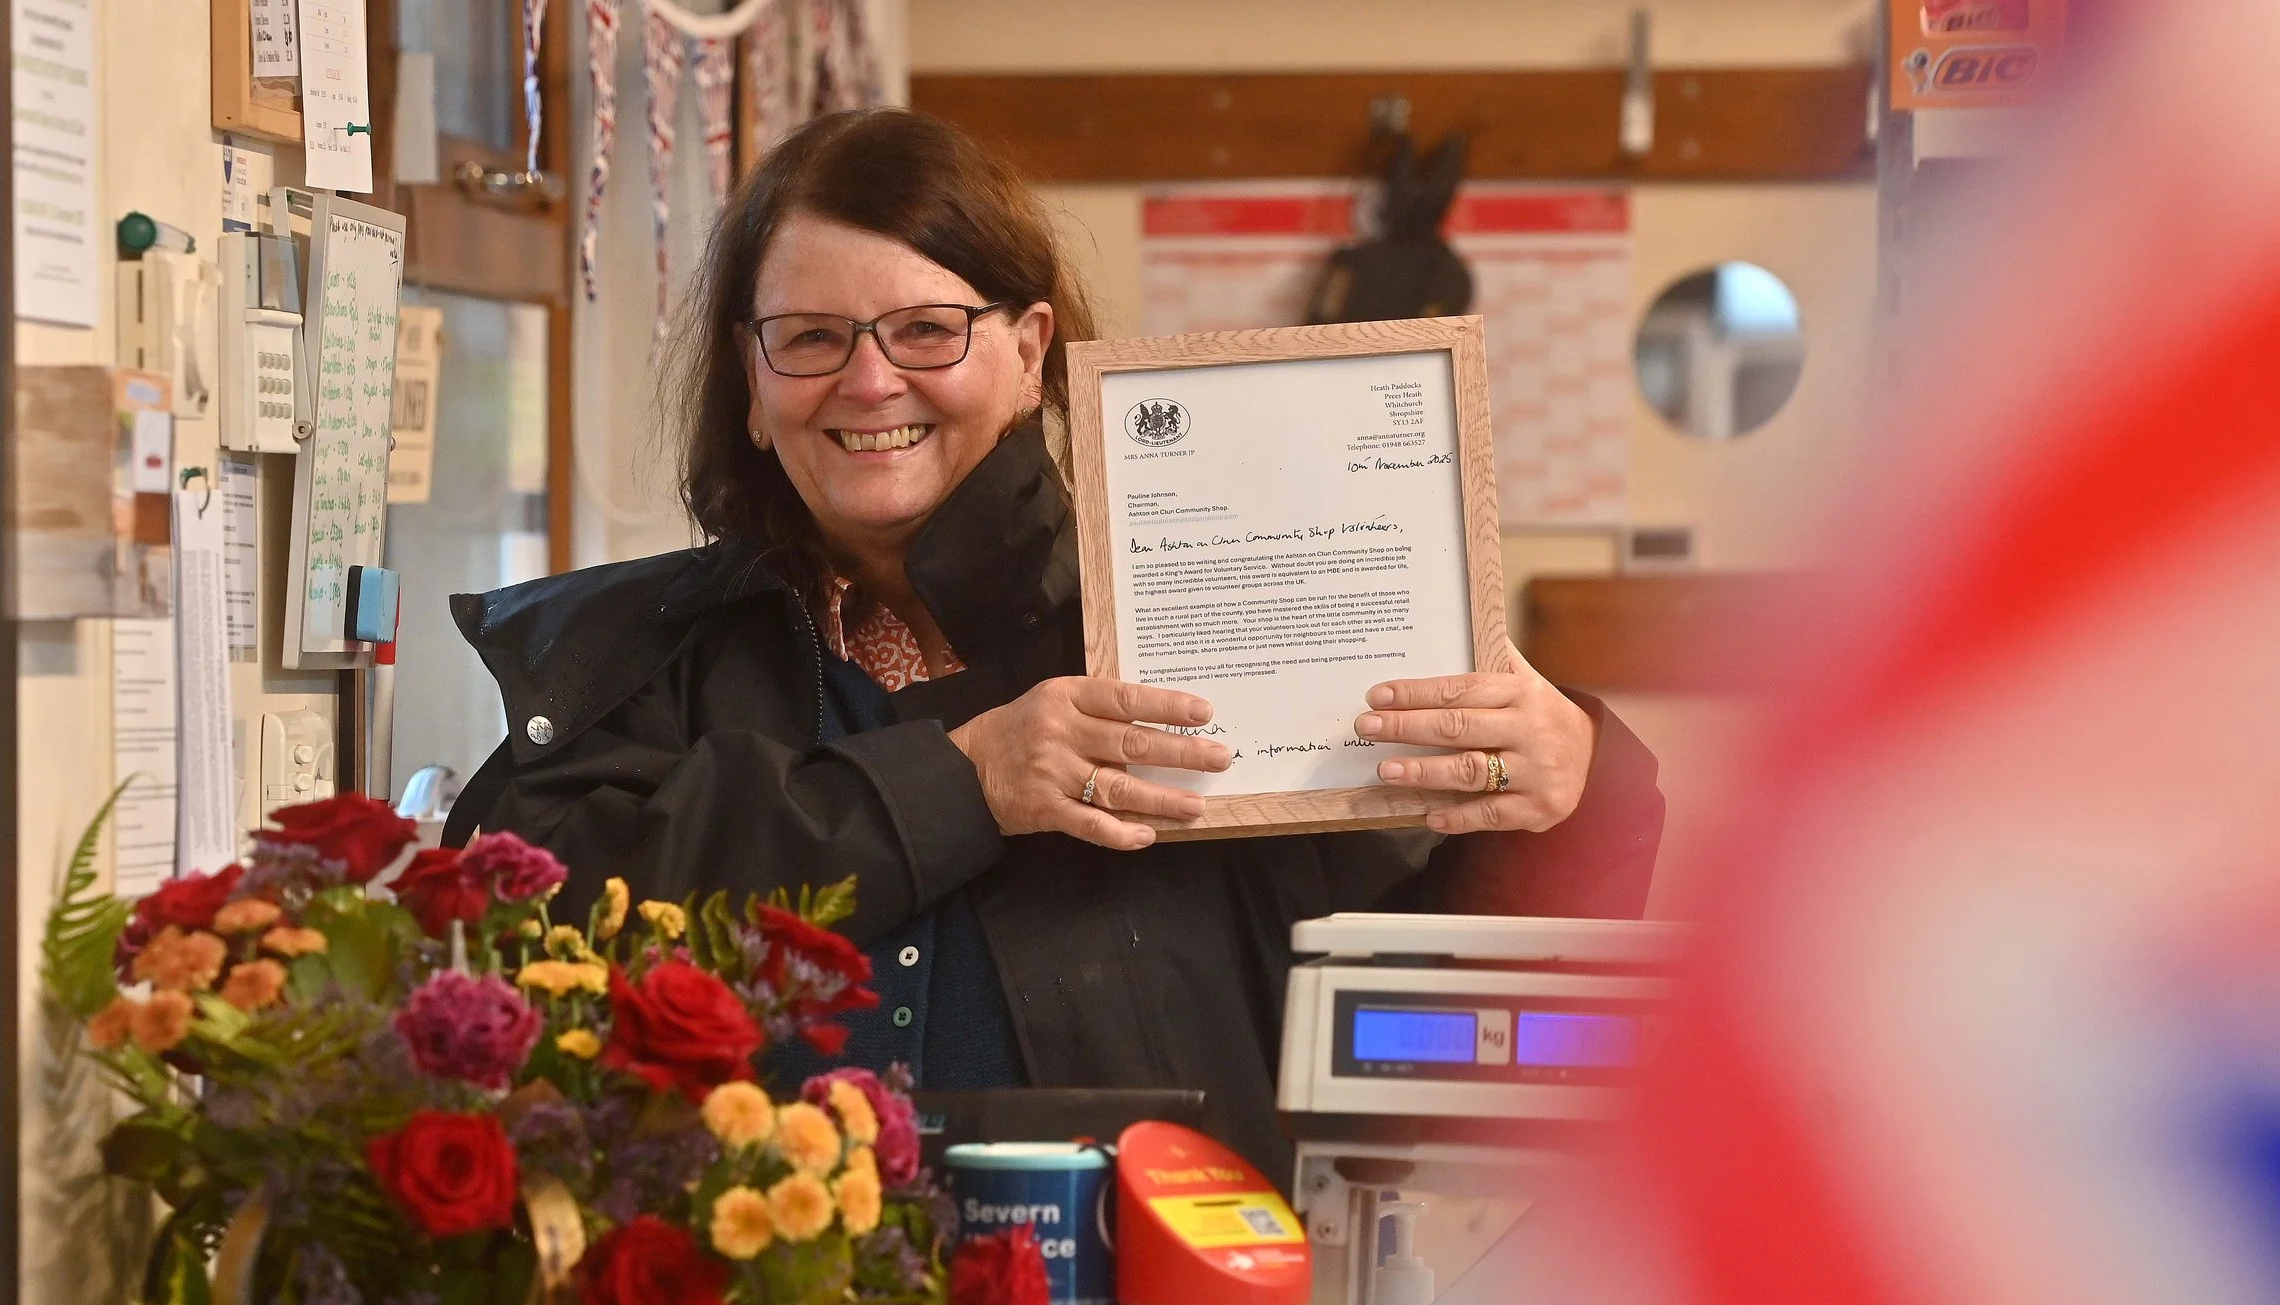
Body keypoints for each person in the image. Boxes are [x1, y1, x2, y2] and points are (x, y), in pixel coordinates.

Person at [448, 108, 1664, 1190]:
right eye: (810, 337)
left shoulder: (1206, 619)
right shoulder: (628, 658)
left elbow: (1413, 1036)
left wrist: (1572, 789)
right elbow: (531, 945)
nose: (869, 382)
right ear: (751, 381)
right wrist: (965, 782)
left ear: (1030, 351)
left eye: (928, 329)